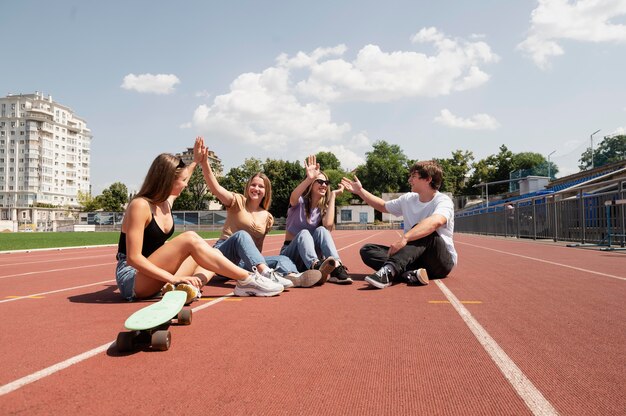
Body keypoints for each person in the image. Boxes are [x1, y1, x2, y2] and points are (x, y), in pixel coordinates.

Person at [115, 138, 284, 302]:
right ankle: (248, 279)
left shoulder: (165, 203)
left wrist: (196, 161)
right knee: (190, 239)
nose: (186, 184)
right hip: (132, 278)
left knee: (214, 253)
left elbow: (185, 176)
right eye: (182, 181)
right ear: (168, 181)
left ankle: (190, 288)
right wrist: (172, 278)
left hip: (154, 273)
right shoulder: (140, 205)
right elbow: (134, 259)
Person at [198, 138, 322, 288]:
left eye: (261, 186)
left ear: (265, 192)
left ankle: (295, 278)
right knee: (242, 235)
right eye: (253, 185)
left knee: (283, 260)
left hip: (245, 262)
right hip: (223, 256)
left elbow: (257, 248)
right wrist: (204, 163)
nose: (256, 188)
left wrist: (256, 260)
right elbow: (215, 188)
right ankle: (267, 275)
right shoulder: (237, 201)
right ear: (248, 187)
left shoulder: (267, 217)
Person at [341, 160, 457, 289]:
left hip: (439, 262)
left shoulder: (443, 200)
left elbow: (436, 221)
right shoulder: (408, 199)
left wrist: (405, 238)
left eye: (413, 176)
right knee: (368, 250)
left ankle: (389, 271)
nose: (409, 180)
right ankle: (410, 274)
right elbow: (383, 206)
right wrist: (360, 192)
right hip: (414, 260)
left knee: (422, 230)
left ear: (428, 179)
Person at [280, 155, 353, 285]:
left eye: (326, 183)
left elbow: (328, 225)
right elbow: (293, 196)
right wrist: (309, 178)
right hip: (291, 256)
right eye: (320, 182)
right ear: (311, 184)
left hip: (313, 255)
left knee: (322, 230)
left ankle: (337, 267)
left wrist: (334, 195)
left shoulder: (323, 209)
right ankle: (315, 267)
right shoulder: (299, 203)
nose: (324, 185)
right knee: (304, 233)